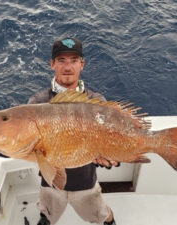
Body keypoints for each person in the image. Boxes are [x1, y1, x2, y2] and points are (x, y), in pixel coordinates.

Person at [28, 37, 118, 225]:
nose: (68, 67)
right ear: (52, 64)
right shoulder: (37, 103)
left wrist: (110, 159)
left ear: (82, 64)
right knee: (47, 214)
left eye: (74, 60)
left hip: (85, 184)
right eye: (61, 60)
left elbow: (111, 138)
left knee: (102, 215)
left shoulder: (97, 101)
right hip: (50, 183)